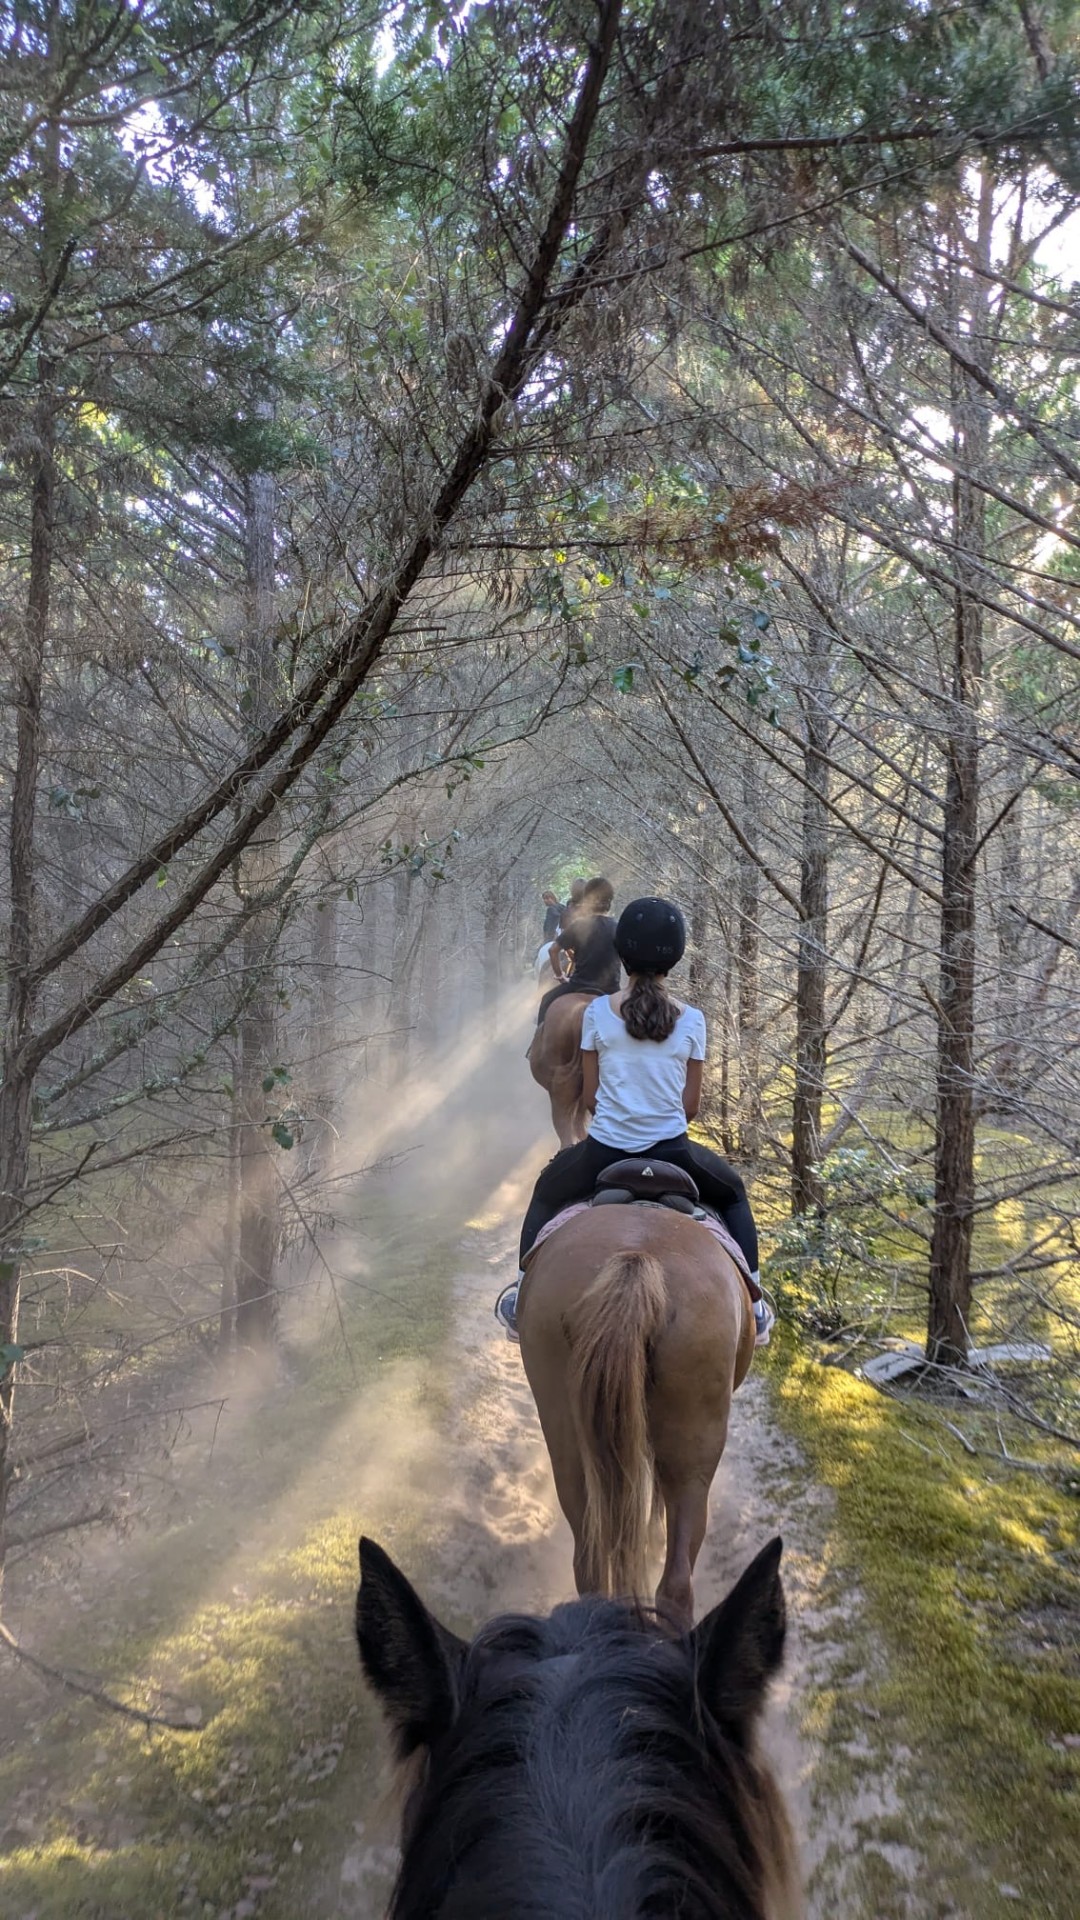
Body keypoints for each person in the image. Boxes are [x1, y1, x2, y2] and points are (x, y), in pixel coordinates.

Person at [497, 896, 773, 1346]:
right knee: (735, 1194)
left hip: (604, 1151)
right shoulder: (694, 1021)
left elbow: (589, 1098)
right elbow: (689, 1110)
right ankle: (757, 1307)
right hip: (674, 1154)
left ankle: (519, 1295)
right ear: (675, 958)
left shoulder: (597, 1014)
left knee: (547, 1189)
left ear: (622, 955)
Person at [536, 876, 619, 1025]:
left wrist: (560, 976)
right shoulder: (618, 927)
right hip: (611, 989)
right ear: (610, 903)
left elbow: (553, 950)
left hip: (579, 984)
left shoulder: (579, 925)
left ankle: (536, 1044)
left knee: (546, 1000)